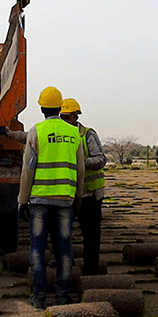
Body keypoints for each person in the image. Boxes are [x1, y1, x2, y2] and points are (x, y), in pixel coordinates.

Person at [18, 86, 84, 309]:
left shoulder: (37, 131)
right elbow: (80, 170)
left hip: (39, 200)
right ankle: (63, 296)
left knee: (37, 249)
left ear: (41, 108)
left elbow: (28, 170)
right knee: (64, 249)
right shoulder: (74, 133)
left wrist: (22, 200)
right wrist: (78, 200)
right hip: (65, 199)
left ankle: (39, 298)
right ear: (59, 107)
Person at [59, 98, 106, 276]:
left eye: (68, 117)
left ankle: (91, 273)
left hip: (90, 195)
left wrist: (80, 162)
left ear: (76, 117)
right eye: (63, 117)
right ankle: (66, 268)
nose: (65, 120)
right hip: (67, 194)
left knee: (91, 236)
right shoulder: (59, 136)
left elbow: (101, 159)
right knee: (62, 235)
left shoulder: (87, 134)